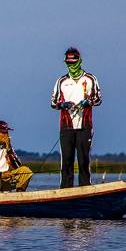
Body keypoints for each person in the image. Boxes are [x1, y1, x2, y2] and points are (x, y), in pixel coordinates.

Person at [50, 47, 102, 188]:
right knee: (66, 160)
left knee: (83, 159)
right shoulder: (61, 81)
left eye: (73, 62)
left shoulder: (90, 79)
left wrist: (87, 102)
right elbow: (53, 103)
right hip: (66, 126)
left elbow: (98, 99)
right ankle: (66, 189)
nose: (71, 65)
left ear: (79, 61)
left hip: (85, 126)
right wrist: (64, 104)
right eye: (68, 63)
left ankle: (85, 187)